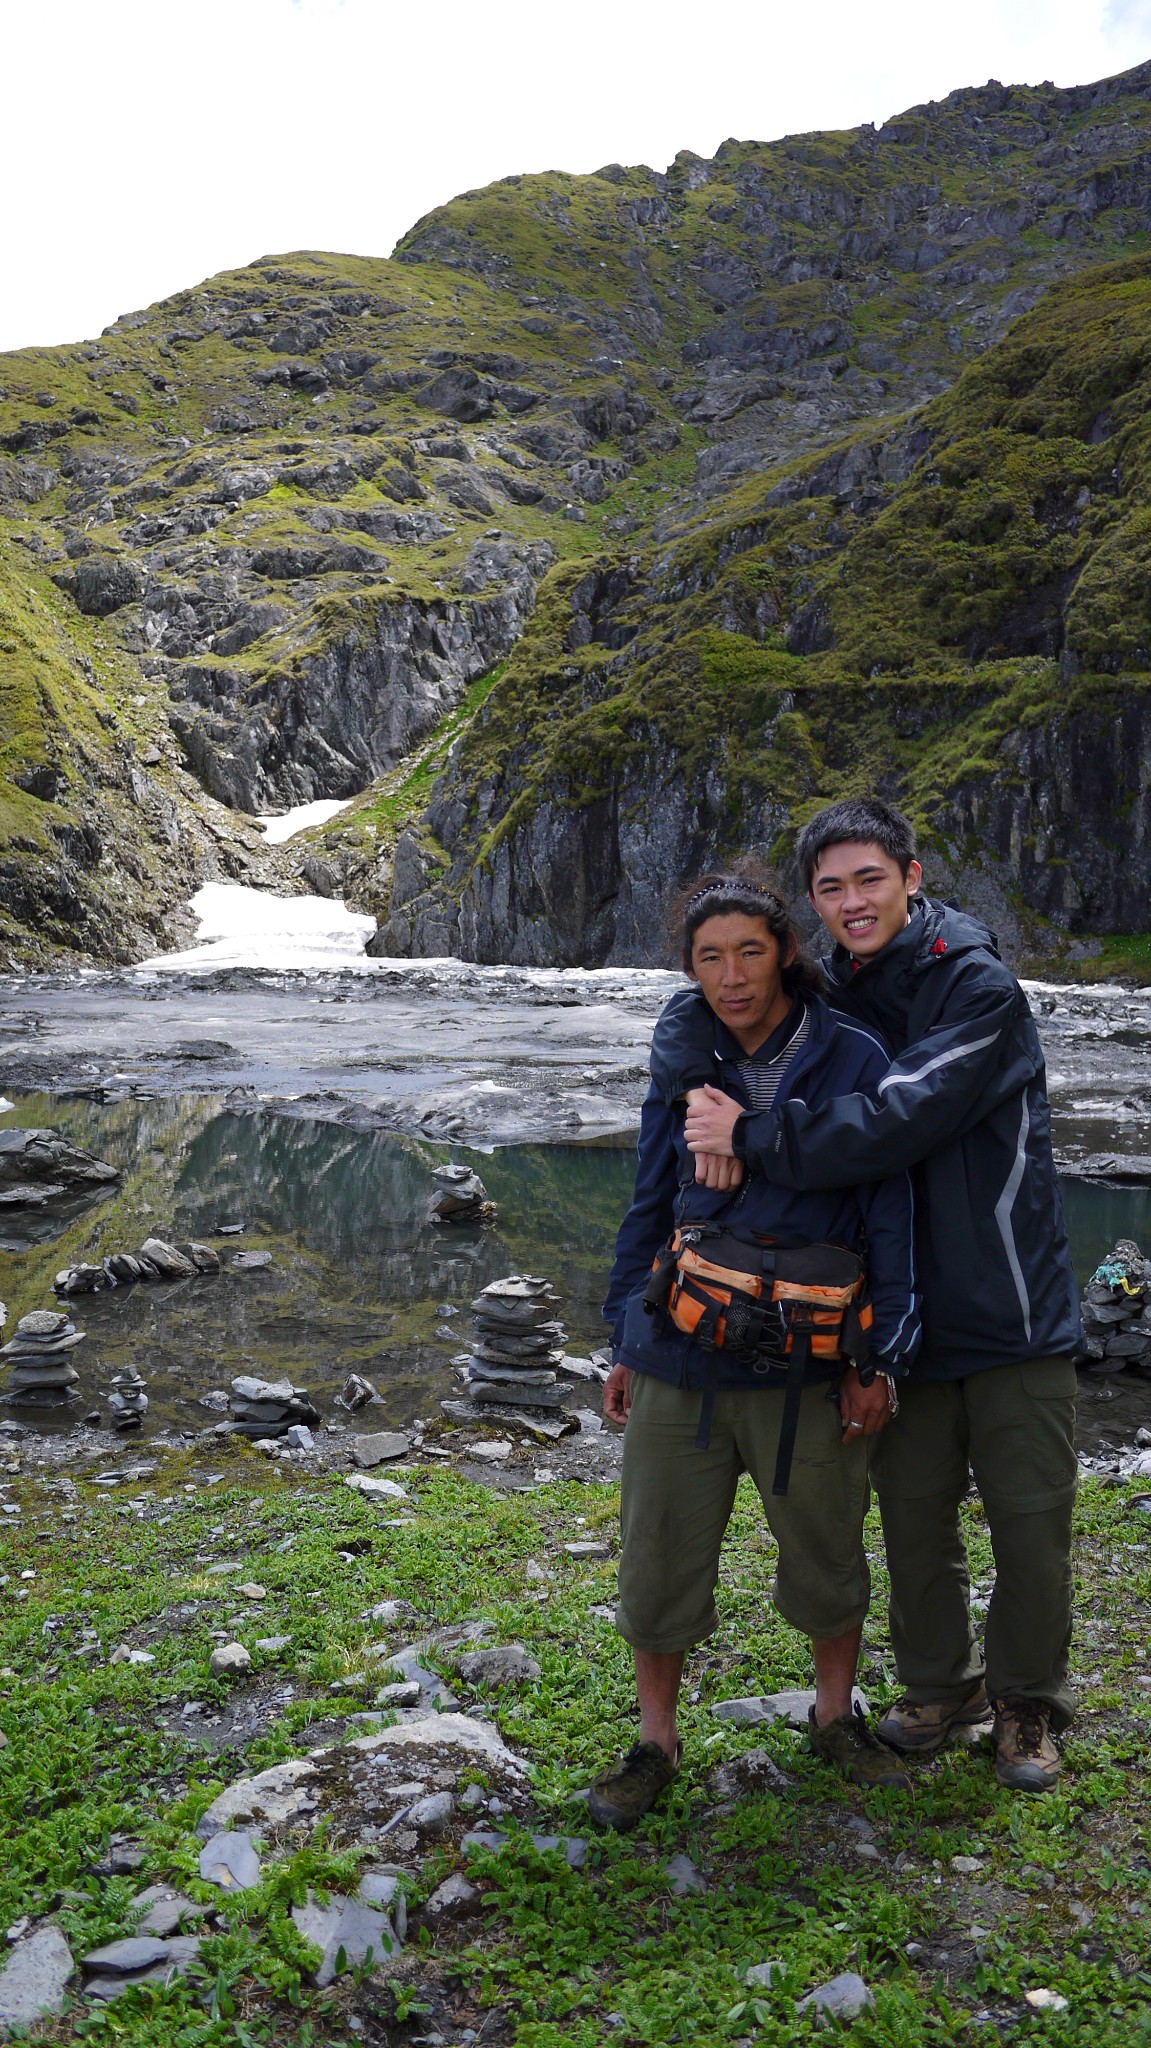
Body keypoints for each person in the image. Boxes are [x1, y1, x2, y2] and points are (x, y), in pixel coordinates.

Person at [654, 800, 1081, 1794]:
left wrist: (748, 1136)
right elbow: (715, 1000)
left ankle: (1026, 1705)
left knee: (1028, 1521)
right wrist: (689, 1085)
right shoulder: (832, 989)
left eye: (868, 880)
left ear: (911, 876)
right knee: (911, 1514)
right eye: (831, 887)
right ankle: (939, 1686)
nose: (851, 901)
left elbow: (900, 1115)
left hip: (1010, 1305)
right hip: (898, 1310)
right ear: (813, 902)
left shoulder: (974, 985)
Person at [589, 872, 921, 1831]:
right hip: (680, 1354)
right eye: (708, 957)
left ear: (784, 948)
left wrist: (878, 1357)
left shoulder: (853, 1055)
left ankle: (832, 1718)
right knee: (655, 1559)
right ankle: (655, 1742)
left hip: (810, 1360)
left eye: (747, 950)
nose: (731, 976)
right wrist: (624, 1334)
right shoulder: (682, 1052)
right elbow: (649, 1195)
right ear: (687, 968)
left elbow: (886, 1210)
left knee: (824, 1549)